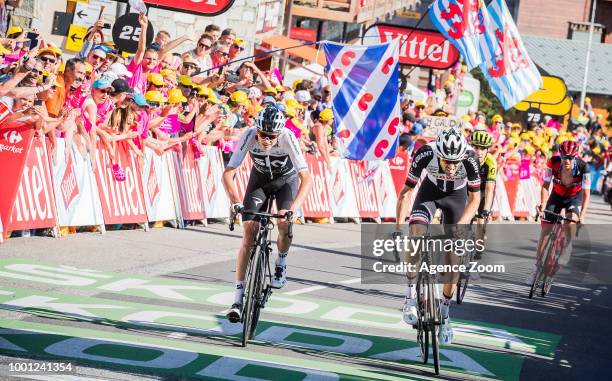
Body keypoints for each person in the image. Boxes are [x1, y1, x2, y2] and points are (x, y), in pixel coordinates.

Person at [222, 106, 312, 322]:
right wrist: (234, 201)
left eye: (271, 136)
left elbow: (306, 178)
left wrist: (294, 209)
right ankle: (237, 299)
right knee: (248, 235)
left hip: (285, 182)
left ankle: (281, 262)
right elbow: (229, 173)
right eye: (263, 134)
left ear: (279, 133)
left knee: (283, 221)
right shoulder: (249, 135)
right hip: (260, 181)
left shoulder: (288, 137)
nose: (266, 139)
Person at [396, 127, 481, 345]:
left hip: (456, 196)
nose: (451, 167)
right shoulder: (425, 153)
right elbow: (406, 192)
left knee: (454, 256)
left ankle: (445, 313)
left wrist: (461, 226)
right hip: (430, 194)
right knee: (416, 233)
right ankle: (409, 298)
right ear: (438, 154)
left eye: (455, 162)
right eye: (446, 161)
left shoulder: (470, 159)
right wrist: (398, 227)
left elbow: (475, 200)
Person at [527, 140, 591, 284]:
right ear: (560, 155)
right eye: (564, 157)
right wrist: (543, 204)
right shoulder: (553, 162)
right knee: (545, 231)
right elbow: (545, 185)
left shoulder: (583, 167)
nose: (567, 160)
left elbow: (586, 194)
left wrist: (583, 216)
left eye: (570, 157)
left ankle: (568, 244)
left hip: (574, 198)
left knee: (570, 221)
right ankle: (536, 267)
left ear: (576, 157)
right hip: (556, 196)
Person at [470, 130, 497, 260]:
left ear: (487, 149)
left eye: (482, 148)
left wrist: (486, 209)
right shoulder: (466, 157)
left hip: (483, 190)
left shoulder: (491, 162)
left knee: (481, 221)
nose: (479, 152)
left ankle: (479, 246)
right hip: (469, 188)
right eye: (476, 147)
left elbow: (489, 188)